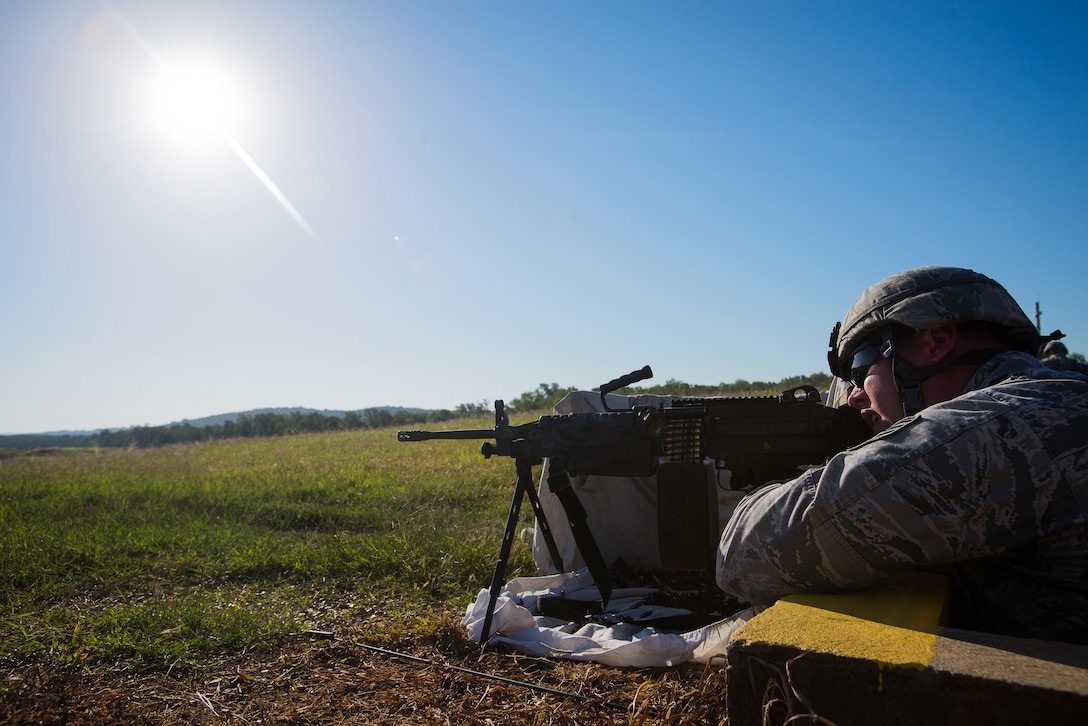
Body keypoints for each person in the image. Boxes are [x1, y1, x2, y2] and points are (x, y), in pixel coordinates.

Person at [716, 266, 1088, 644]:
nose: (856, 395)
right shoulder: (1053, 399)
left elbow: (744, 553)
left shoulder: (992, 431)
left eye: (861, 367)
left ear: (935, 342)